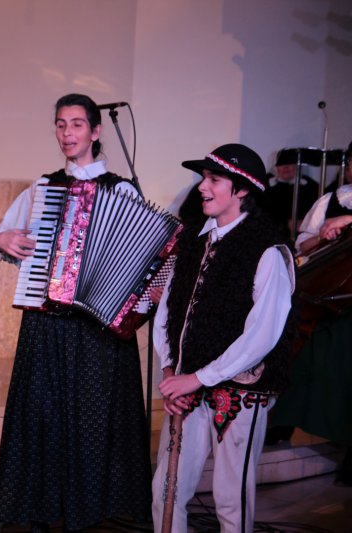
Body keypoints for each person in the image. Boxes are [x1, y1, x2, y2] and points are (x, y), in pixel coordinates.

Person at [0, 93, 151, 531]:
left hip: (97, 329)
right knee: (44, 415)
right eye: (60, 124)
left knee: (93, 421)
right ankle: (43, 507)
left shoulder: (122, 190)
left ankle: (91, 509)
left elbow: (144, 260)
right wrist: (2, 240)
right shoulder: (43, 188)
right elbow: (1, 239)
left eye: (76, 124)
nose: (67, 133)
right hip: (47, 322)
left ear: (96, 131)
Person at [151, 144, 295, 532]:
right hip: (186, 388)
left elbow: (262, 335)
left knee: (231, 501)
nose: (202, 187)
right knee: (166, 493)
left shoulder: (268, 252)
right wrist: (171, 372)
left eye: (214, 179)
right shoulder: (192, 243)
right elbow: (168, 313)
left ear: (242, 189)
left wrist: (198, 378)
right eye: (204, 178)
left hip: (239, 394)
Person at [269, 140, 352, 485]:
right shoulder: (329, 200)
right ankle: (280, 425)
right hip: (325, 295)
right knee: (302, 357)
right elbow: (302, 245)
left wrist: (348, 219)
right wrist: (323, 235)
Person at [265, 149, 319, 233]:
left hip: (303, 233)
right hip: (273, 233)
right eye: (281, 163)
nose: (286, 167)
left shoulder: (310, 186)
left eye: (289, 162)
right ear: (275, 166)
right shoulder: (265, 185)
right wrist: (285, 224)